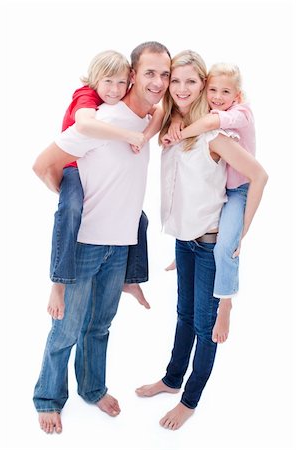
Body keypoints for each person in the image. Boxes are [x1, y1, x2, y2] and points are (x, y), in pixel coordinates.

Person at [32, 41, 171, 434]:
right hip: (85, 246)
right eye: (150, 73)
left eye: (164, 74)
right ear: (133, 75)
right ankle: (47, 397)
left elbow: (162, 111)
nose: (158, 82)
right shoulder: (102, 118)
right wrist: (73, 200)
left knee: (100, 326)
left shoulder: (149, 119)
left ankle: (92, 388)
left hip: (119, 245)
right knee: (67, 330)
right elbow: (43, 165)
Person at [135, 50, 268, 430]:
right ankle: (172, 379)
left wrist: (241, 230)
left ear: (204, 86)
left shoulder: (215, 134)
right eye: (174, 80)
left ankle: (190, 400)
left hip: (210, 244)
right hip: (185, 241)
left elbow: (259, 175)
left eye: (190, 81)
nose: (180, 88)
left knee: (204, 325)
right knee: (183, 316)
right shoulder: (172, 128)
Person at [48, 50, 165, 320]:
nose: (115, 90)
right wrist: (129, 136)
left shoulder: (119, 105)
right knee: (70, 211)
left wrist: (145, 137)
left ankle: (130, 277)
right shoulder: (87, 98)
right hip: (72, 168)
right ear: (95, 79)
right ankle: (58, 282)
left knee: (139, 218)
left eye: (121, 83)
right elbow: (87, 125)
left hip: (87, 168)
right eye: (108, 82)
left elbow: (158, 112)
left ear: (130, 81)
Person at [164, 62, 255, 343]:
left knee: (227, 245)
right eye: (213, 89)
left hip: (240, 189)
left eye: (225, 91)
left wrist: (244, 229)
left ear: (237, 95)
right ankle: (188, 248)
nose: (217, 96)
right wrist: (178, 122)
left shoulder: (239, 114)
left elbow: (210, 124)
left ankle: (226, 302)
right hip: (224, 191)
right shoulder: (212, 111)